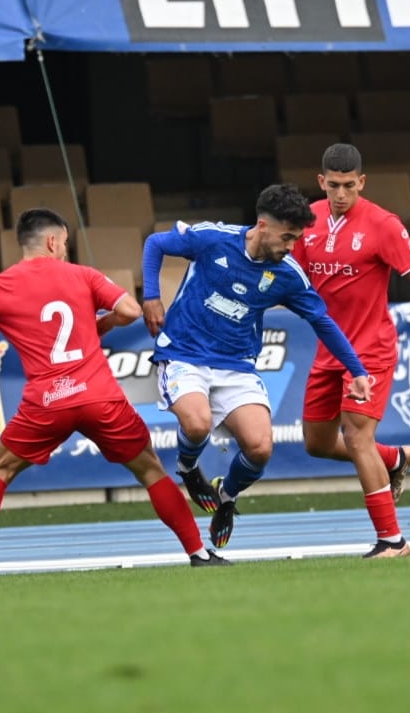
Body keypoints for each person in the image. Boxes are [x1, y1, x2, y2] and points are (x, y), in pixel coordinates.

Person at [0, 208, 230, 580]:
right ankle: (200, 554)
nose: (65, 251)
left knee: (1, 469)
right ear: (53, 241)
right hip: (99, 396)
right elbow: (130, 310)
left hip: (47, 401)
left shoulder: (0, 284)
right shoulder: (82, 274)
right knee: (150, 470)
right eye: (65, 244)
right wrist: (96, 327)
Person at [142, 183, 372, 551]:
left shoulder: (287, 274)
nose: (291, 247)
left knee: (261, 448)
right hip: (184, 353)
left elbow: (323, 322)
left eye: (297, 239)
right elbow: (156, 244)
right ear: (263, 226)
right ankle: (188, 469)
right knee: (197, 422)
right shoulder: (212, 238)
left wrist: (356, 371)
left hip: (236, 366)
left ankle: (227, 496)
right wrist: (151, 295)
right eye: (287, 237)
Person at [290, 143, 410, 558]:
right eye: (334, 186)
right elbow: (289, 276)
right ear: (321, 181)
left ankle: (393, 540)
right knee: (317, 443)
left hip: (370, 351)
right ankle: (395, 459)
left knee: (357, 436)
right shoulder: (307, 220)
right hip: (330, 351)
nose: (341, 194)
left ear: (361, 183)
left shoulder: (384, 225)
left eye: (349, 186)